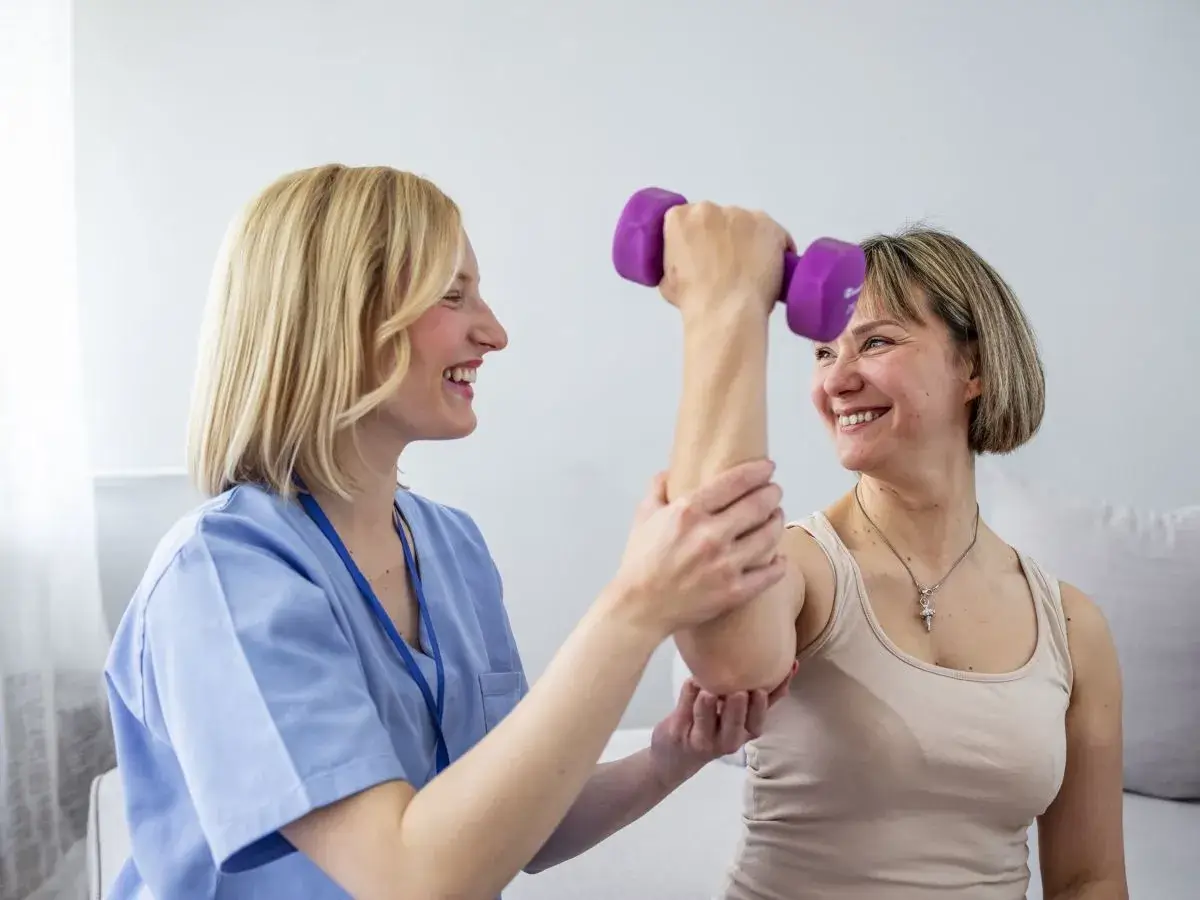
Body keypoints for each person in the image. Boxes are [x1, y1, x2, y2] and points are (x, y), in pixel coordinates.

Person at [101, 164, 795, 900]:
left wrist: (669, 758)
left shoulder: (449, 547)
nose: (493, 332)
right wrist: (634, 609)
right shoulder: (223, 578)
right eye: (451, 295)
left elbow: (508, 824)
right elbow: (409, 879)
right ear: (338, 317)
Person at [658, 204, 1128, 899]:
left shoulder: (1072, 626)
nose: (836, 379)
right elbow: (725, 657)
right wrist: (725, 310)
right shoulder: (800, 570)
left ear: (973, 366)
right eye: (823, 352)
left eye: (874, 342)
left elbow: (1089, 879)